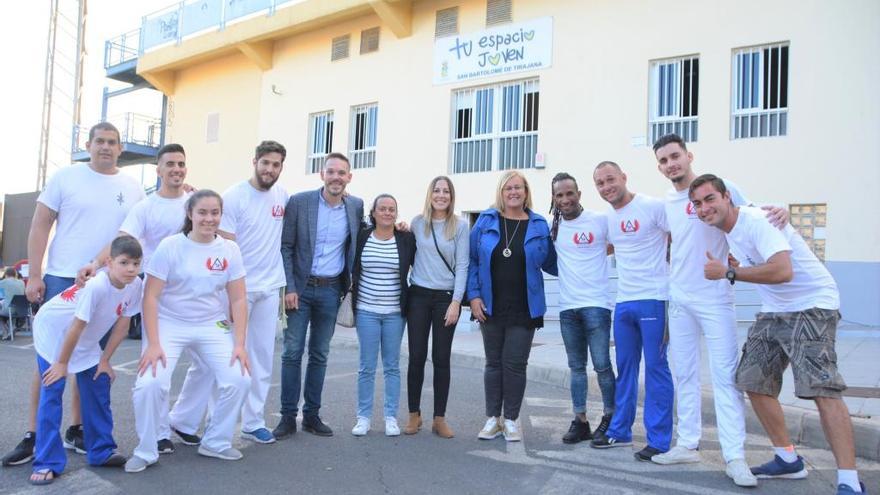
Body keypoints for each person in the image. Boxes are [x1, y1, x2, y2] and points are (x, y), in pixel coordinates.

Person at [690, 174, 866, 494]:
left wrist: (730, 272)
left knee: (822, 389)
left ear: (727, 197)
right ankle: (787, 459)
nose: (704, 208)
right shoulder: (731, 230)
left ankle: (849, 480)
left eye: (709, 199)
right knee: (753, 380)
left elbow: (784, 271)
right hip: (774, 309)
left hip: (812, 305)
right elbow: (761, 263)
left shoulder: (757, 220)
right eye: (698, 204)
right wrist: (736, 264)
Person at [3, 122, 146, 467]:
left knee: (91, 361)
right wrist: (35, 274)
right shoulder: (66, 177)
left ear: (120, 148)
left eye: (112, 143)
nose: (106, 148)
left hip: (107, 275)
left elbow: (147, 220)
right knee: (51, 360)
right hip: (62, 276)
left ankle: (80, 431)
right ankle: (35, 435)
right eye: (100, 142)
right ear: (88, 144)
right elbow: (40, 224)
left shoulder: (133, 187)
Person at [650, 134, 787, 487]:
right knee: (685, 374)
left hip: (715, 298)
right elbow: (674, 243)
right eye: (663, 160)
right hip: (679, 298)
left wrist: (782, 209)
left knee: (726, 378)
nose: (671, 164)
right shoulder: (666, 201)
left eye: (675, 156)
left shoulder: (720, 189)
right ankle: (687, 443)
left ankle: (734, 456)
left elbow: (754, 216)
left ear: (688, 155)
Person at [77, 143, 209, 453]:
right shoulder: (146, 208)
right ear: (159, 170)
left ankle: (184, 421)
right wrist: (96, 264)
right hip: (158, 296)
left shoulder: (196, 202)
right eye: (170, 164)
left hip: (198, 297)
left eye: (181, 163)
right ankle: (159, 432)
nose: (176, 169)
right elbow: (121, 242)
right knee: (157, 365)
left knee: (209, 364)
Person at [127, 190, 251, 472]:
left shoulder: (230, 249)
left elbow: (239, 299)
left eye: (215, 213)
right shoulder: (170, 246)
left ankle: (216, 442)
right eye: (203, 213)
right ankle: (146, 451)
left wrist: (240, 344)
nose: (209, 219)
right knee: (150, 383)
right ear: (190, 214)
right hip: (170, 322)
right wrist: (153, 343)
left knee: (240, 379)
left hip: (211, 323)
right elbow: (151, 297)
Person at [28, 235, 144, 485]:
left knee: (98, 381)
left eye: (136, 263)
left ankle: (101, 450)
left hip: (83, 338)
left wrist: (104, 360)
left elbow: (122, 326)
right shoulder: (97, 286)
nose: (131, 269)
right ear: (109, 263)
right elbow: (75, 328)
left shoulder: (136, 286)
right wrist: (61, 365)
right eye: (124, 263)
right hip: (54, 332)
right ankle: (47, 461)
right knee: (53, 388)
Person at [275, 152, 364, 439]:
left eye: (342, 172)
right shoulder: (300, 202)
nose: (336, 177)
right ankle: (288, 416)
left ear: (349, 177)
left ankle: (312, 415)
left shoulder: (355, 206)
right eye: (331, 171)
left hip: (330, 290)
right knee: (291, 352)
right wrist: (289, 287)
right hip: (299, 290)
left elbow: (365, 232)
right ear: (321, 175)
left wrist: (399, 225)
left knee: (320, 354)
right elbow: (286, 246)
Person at [589, 161, 673, 462]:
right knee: (625, 370)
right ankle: (620, 431)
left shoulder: (652, 206)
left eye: (610, 179)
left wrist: (669, 265)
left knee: (656, 369)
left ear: (624, 177)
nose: (606, 186)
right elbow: (608, 247)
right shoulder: (607, 218)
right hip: (623, 303)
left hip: (655, 299)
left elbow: (679, 235)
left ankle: (660, 440)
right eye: (600, 183)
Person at [468, 171, 557, 443]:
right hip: (490, 305)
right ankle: (492, 419)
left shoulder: (540, 224)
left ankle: (511, 420)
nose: (513, 192)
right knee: (493, 363)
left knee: (515, 364)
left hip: (524, 306)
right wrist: (473, 297)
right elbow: (472, 260)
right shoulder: (486, 221)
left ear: (526, 191)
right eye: (508, 188)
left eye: (518, 187)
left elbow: (553, 263)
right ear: (501, 192)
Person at [216, 140, 289, 444]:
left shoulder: (283, 196)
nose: (270, 169)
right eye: (265, 163)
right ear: (255, 161)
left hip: (270, 288)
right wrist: (235, 291)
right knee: (226, 357)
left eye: (276, 164)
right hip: (237, 291)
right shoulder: (233, 197)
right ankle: (218, 423)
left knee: (261, 357)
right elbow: (226, 246)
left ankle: (253, 421)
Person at [548, 173, 615, 444]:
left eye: (569, 193)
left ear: (579, 194)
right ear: (553, 199)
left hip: (596, 306)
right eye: (559, 195)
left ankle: (611, 417)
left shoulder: (600, 220)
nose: (565, 199)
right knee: (576, 368)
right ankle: (581, 421)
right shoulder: (554, 227)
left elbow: (619, 244)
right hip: (568, 309)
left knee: (602, 366)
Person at [404, 176, 469, 438]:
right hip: (418, 295)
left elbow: (463, 265)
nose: (441, 195)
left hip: (445, 298)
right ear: (430, 194)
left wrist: (456, 301)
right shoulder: (418, 224)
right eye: (437, 191)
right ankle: (413, 415)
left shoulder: (461, 226)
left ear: (451, 197)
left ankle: (439, 418)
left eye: (446, 192)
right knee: (416, 356)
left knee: (441, 359)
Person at [350, 194, 416, 436]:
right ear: (374, 212)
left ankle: (391, 417)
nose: (388, 213)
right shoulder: (362, 236)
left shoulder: (406, 238)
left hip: (395, 313)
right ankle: (363, 417)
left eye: (392, 209)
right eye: (383, 209)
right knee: (366, 367)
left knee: (392, 367)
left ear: (396, 214)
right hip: (366, 310)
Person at [0, 267, 26, 339]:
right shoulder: (22, 282)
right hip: (22, 310)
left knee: (6, 309)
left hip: (10, 310)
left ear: (6, 275)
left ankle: (5, 331)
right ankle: (12, 327)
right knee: (12, 306)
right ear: (15, 274)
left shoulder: (5, 281)